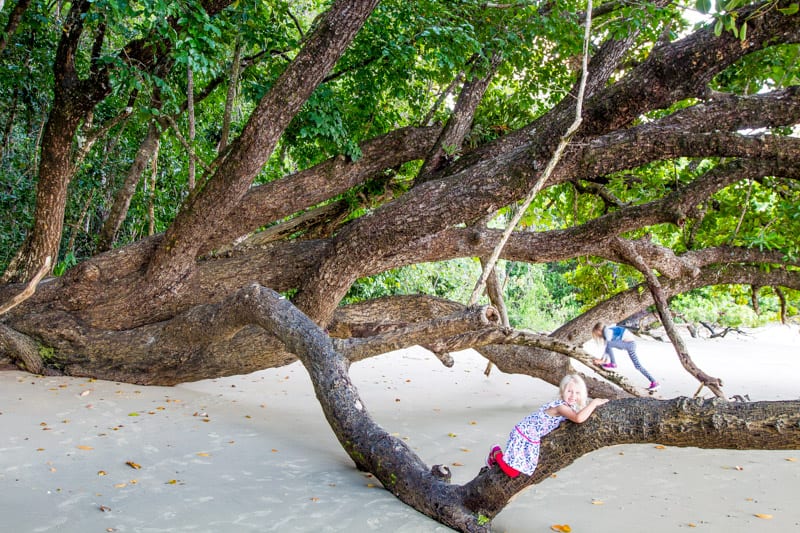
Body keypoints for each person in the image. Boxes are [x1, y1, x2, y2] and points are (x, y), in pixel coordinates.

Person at [486, 374, 609, 478]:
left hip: (533, 436)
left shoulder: (569, 407)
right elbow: (578, 418)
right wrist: (594, 403)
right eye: (569, 391)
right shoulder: (561, 406)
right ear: (562, 391)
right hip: (524, 434)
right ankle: (496, 452)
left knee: (519, 469)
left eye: (577, 393)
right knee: (513, 473)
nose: (573, 396)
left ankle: (499, 458)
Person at [591, 322, 660, 392]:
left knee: (609, 344)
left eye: (596, 333)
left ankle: (613, 363)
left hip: (629, 344)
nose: (598, 335)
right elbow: (608, 348)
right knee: (638, 366)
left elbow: (608, 346)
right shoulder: (609, 329)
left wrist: (602, 360)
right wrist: (602, 359)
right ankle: (654, 382)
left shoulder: (607, 330)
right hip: (630, 344)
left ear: (599, 330)